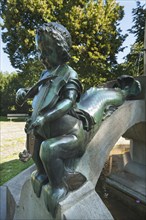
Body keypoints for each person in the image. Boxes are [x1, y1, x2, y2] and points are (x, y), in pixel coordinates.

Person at [16, 22, 87, 201]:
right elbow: (34, 92)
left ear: (61, 51)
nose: (42, 57)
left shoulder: (69, 74)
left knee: (48, 150)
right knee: (36, 149)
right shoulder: (45, 75)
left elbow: (68, 102)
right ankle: (42, 173)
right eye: (40, 52)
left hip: (69, 135)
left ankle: (59, 185)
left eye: (47, 52)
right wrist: (23, 92)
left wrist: (45, 117)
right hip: (45, 132)